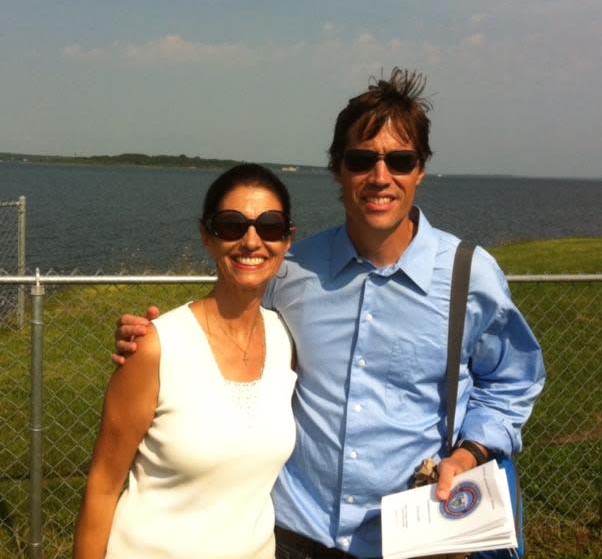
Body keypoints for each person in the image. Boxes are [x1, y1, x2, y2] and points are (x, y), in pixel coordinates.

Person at [115, 68, 546, 559]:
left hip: (415, 539)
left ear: (420, 171)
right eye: (362, 160)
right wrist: (160, 341)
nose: (380, 178)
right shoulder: (292, 271)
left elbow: (511, 382)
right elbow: (233, 333)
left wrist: (470, 452)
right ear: (338, 169)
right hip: (295, 533)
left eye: (399, 161)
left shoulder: (470, 276)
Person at [74, 164, 297, 558]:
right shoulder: (157, 347)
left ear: (287, 241)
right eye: (231, 225)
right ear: (207, 237)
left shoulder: (285, 340)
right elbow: (103, 486)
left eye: (270, 226)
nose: (251, 241)